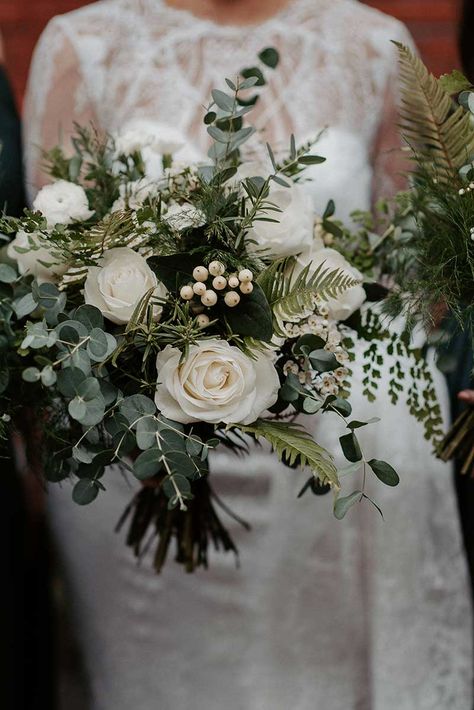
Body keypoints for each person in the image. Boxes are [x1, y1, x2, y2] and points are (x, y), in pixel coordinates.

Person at [23, 1, 473, 708]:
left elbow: (409, 283)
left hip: (326, 470)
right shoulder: (84, 44)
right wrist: (139, 385)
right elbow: (52, 264)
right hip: (137, 465)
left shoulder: (369, 44)